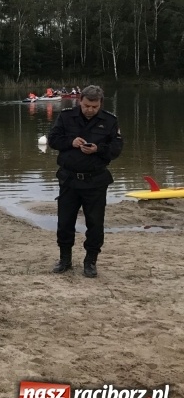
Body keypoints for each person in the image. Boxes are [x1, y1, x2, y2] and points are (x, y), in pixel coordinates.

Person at [48, 85, 123, 278]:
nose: (90, 109)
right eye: (87, 105)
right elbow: (53, 140)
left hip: (95, 181)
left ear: (100, 104)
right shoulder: (65, 117)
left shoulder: (109, 121)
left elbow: (116, 149)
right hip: (69, 180)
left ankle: (90, 261)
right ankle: (65, 259)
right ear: (80, 101)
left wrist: (98, 149)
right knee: (65, 222)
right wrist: (70, 142)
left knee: (95, 223)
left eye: (94, 106)